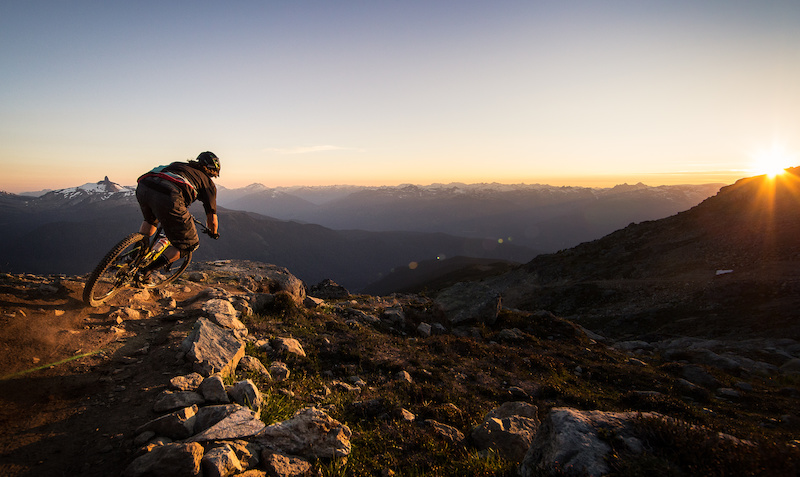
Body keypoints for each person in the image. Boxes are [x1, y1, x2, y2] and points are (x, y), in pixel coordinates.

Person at [135, 151, 221, 278]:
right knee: (189, 245)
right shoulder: (208, 184)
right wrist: (213, 232)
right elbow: (212, 219)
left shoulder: (178, 165)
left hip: (144, 185)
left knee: (150, 222)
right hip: (169, 195)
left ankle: (132, 258)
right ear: (212, 171)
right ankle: (145, 272)